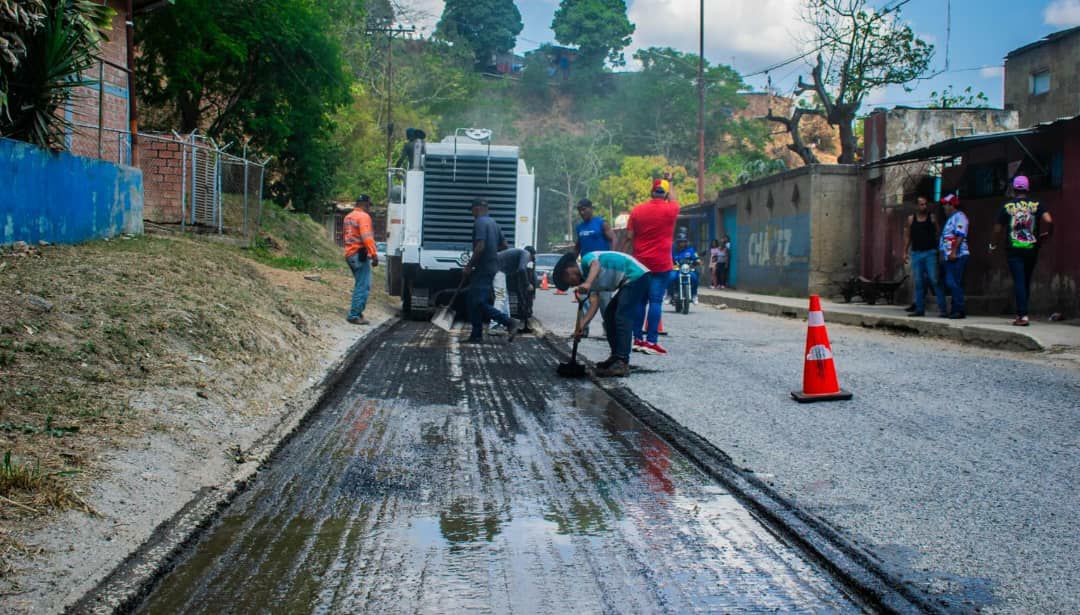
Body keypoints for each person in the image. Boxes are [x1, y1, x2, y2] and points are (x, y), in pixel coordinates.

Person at [553, 251, 651, 377]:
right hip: (628, 281)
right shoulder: (589, 280)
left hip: (638, 276)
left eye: (568, 282)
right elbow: (594, 303)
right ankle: (616, 357)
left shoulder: (587, 260)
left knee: (622, 315)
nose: (572, 285)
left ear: (569, 270)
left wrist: (588, 283)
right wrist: (581, 326)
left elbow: (596, 265)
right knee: (609, 315)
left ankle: (622, 361)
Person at [623, 179, 679, 355]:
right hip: (661, 263)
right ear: (665, 193)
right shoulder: (670, 209)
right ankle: (651, 342)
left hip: (640, 263)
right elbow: (675, 199)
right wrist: (669, 183)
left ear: (651, 192)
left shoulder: (637, 210)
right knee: (655, 302)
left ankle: (637, 339)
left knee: (640, 301)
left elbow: (630, 236)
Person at [991, 176, 1054, 326]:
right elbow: (1049, 221)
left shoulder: (1007, 207)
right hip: (1032, 249)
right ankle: (1023, 312)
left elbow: (997, 229)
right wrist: (1048, 234)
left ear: (1013, 189)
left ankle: (1023, 316)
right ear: (1027, 188)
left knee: (1019, 281)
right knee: (1025, 280)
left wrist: (993, 245)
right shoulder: (1037, 205)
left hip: (1014, 250)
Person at [463, 199, 521, 343]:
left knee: (478, 301)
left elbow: (480, 246)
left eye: (472, 211)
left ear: (476, 209)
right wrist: (492, 251)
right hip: (492, 267)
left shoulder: (480, 223)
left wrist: (469, 265)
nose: (472, 215)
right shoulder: (494, 223)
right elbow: (504, 245)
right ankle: (476, 335)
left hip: (483, 267)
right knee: (473, 300)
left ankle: (508, 322)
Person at [574, 198, 616, 336]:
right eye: (579, 210)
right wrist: (571, 261)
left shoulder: (601, 223)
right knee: (585, 299)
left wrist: (611, 257)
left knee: (604, 300)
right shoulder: (579, 227)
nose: (581, 212)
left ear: (591, 208)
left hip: (603, 268)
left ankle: (609, 328)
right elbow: (578, 246)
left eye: (584, 209)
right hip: (588, 268)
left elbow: (613, 239)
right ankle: (583, 329)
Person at [903, 195, 947, 317]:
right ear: (916, 206)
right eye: (921, 204)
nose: (924, 206)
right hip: (916, 253)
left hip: (930, 253)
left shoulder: (931, 218)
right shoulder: (911, 219)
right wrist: (905, 252)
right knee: (918, 282)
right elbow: (908, 237)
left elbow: (938, 233)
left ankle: (943, 309)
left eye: (925, 204)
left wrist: (939, 249)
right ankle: (919, 309)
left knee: (935, 280)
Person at [343, 195, 379, 325]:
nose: (369, 207)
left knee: (360, 283)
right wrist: (374, 254)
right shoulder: (364, 217)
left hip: (350, 254)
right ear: (364, 204)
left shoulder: (348, 217)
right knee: (363, 286)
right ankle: (354, 315)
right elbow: (366, 237)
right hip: (359, 255)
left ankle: (358, 312)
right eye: (369, 204)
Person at [939, 193, 969, 319]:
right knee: (953, 283)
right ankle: (955, 309)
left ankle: (959, 309)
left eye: (945, 205)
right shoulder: (950, 219)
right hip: (949, 256)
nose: (944, 208)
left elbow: (960, 235)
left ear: (952, 205)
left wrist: (953, 252)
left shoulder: (960, 217)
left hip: (958, 255)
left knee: (952, 282)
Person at [497, 246, 536, 322]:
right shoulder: (526, 254)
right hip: (497, 271)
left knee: (504, 298)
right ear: (532, 255)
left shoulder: (518, 255)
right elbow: (521, 269)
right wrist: (527, 284)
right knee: (500, 297)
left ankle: (507, 322)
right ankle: (495, 325)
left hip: (499, 271)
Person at [669, 235, 701, 303]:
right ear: (678, 242)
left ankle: (694, 294)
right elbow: (668, 257)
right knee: (671, 278)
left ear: (686, 242)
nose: (682, 243)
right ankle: (669, 295)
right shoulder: (673, 250)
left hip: (687, 269)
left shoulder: (691, 250)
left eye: (684, 242)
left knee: (694, 278)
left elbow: (696, 257)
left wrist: (698, 260)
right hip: (676, 268)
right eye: (681, 242)